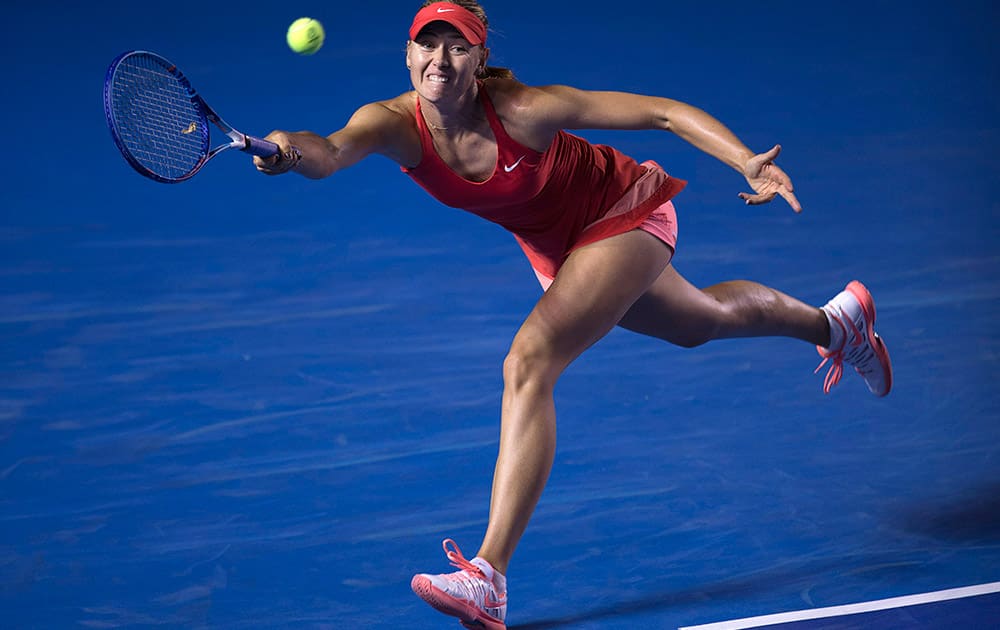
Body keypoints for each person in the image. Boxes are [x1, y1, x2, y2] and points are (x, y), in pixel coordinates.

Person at [254, 2, 893, 627]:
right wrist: (286, 148)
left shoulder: (527, 110)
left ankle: (488, 577)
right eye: (427, 44)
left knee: (529, 363)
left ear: (480, 59)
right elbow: (329, 150)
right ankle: (837, 324)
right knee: (699, 323)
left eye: (457, 46)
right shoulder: (391, 123)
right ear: (408, 54)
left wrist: (745, 159)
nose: (439, 60)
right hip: (560, 250)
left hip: (623, 212)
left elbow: (661, 113)